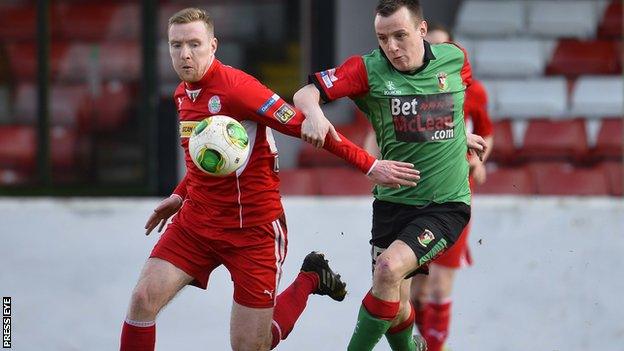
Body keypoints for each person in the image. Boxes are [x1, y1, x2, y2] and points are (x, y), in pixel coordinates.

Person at [119, 7, 422, 351]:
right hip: (196, 223)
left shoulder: (238, 89)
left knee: (251, 346)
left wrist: (370, 165)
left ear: (213, 45)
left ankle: (310, 277)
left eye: (194, 44)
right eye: (176, 45)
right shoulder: (182, 95)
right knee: (143, 298)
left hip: (254, 231)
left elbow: (307, 126)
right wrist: (179, 195)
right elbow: (203, 160)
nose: (185, 54)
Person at [293, 1, 487, 350]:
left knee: (387, 270)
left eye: (400, 36)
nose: (392, 47)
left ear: (422, 30)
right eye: (383, 38)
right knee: (395, 308)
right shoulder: (368, 69)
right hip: (392, 204)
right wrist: (314, 113)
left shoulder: (455, 58)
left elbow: (452, 103)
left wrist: (458, 135)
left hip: (444, 205)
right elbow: (305, 93)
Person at [408, 23, 494, 351]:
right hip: (416, 196)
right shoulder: (409, 91)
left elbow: (486, 131)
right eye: (429, 47)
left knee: (440, 285)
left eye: (442, 48)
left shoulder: (472, 91)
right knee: (415, 291)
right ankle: (417, 343)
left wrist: (479, 159)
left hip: (456, 195)